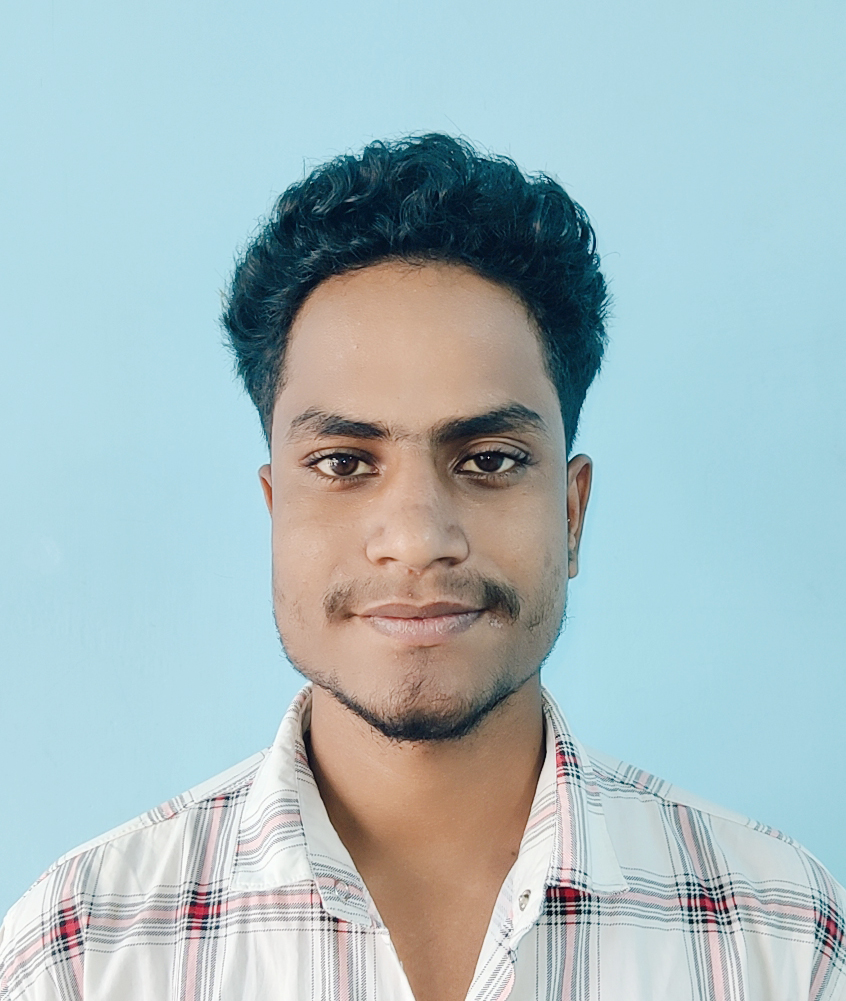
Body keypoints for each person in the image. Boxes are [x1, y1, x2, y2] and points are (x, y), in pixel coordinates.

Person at [1, 134, 843, 1001]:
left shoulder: (779, 939)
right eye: (343, 462)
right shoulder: (81, 953)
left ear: (571, 511)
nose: (415, 538)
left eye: (488, 459)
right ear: (274, 508)